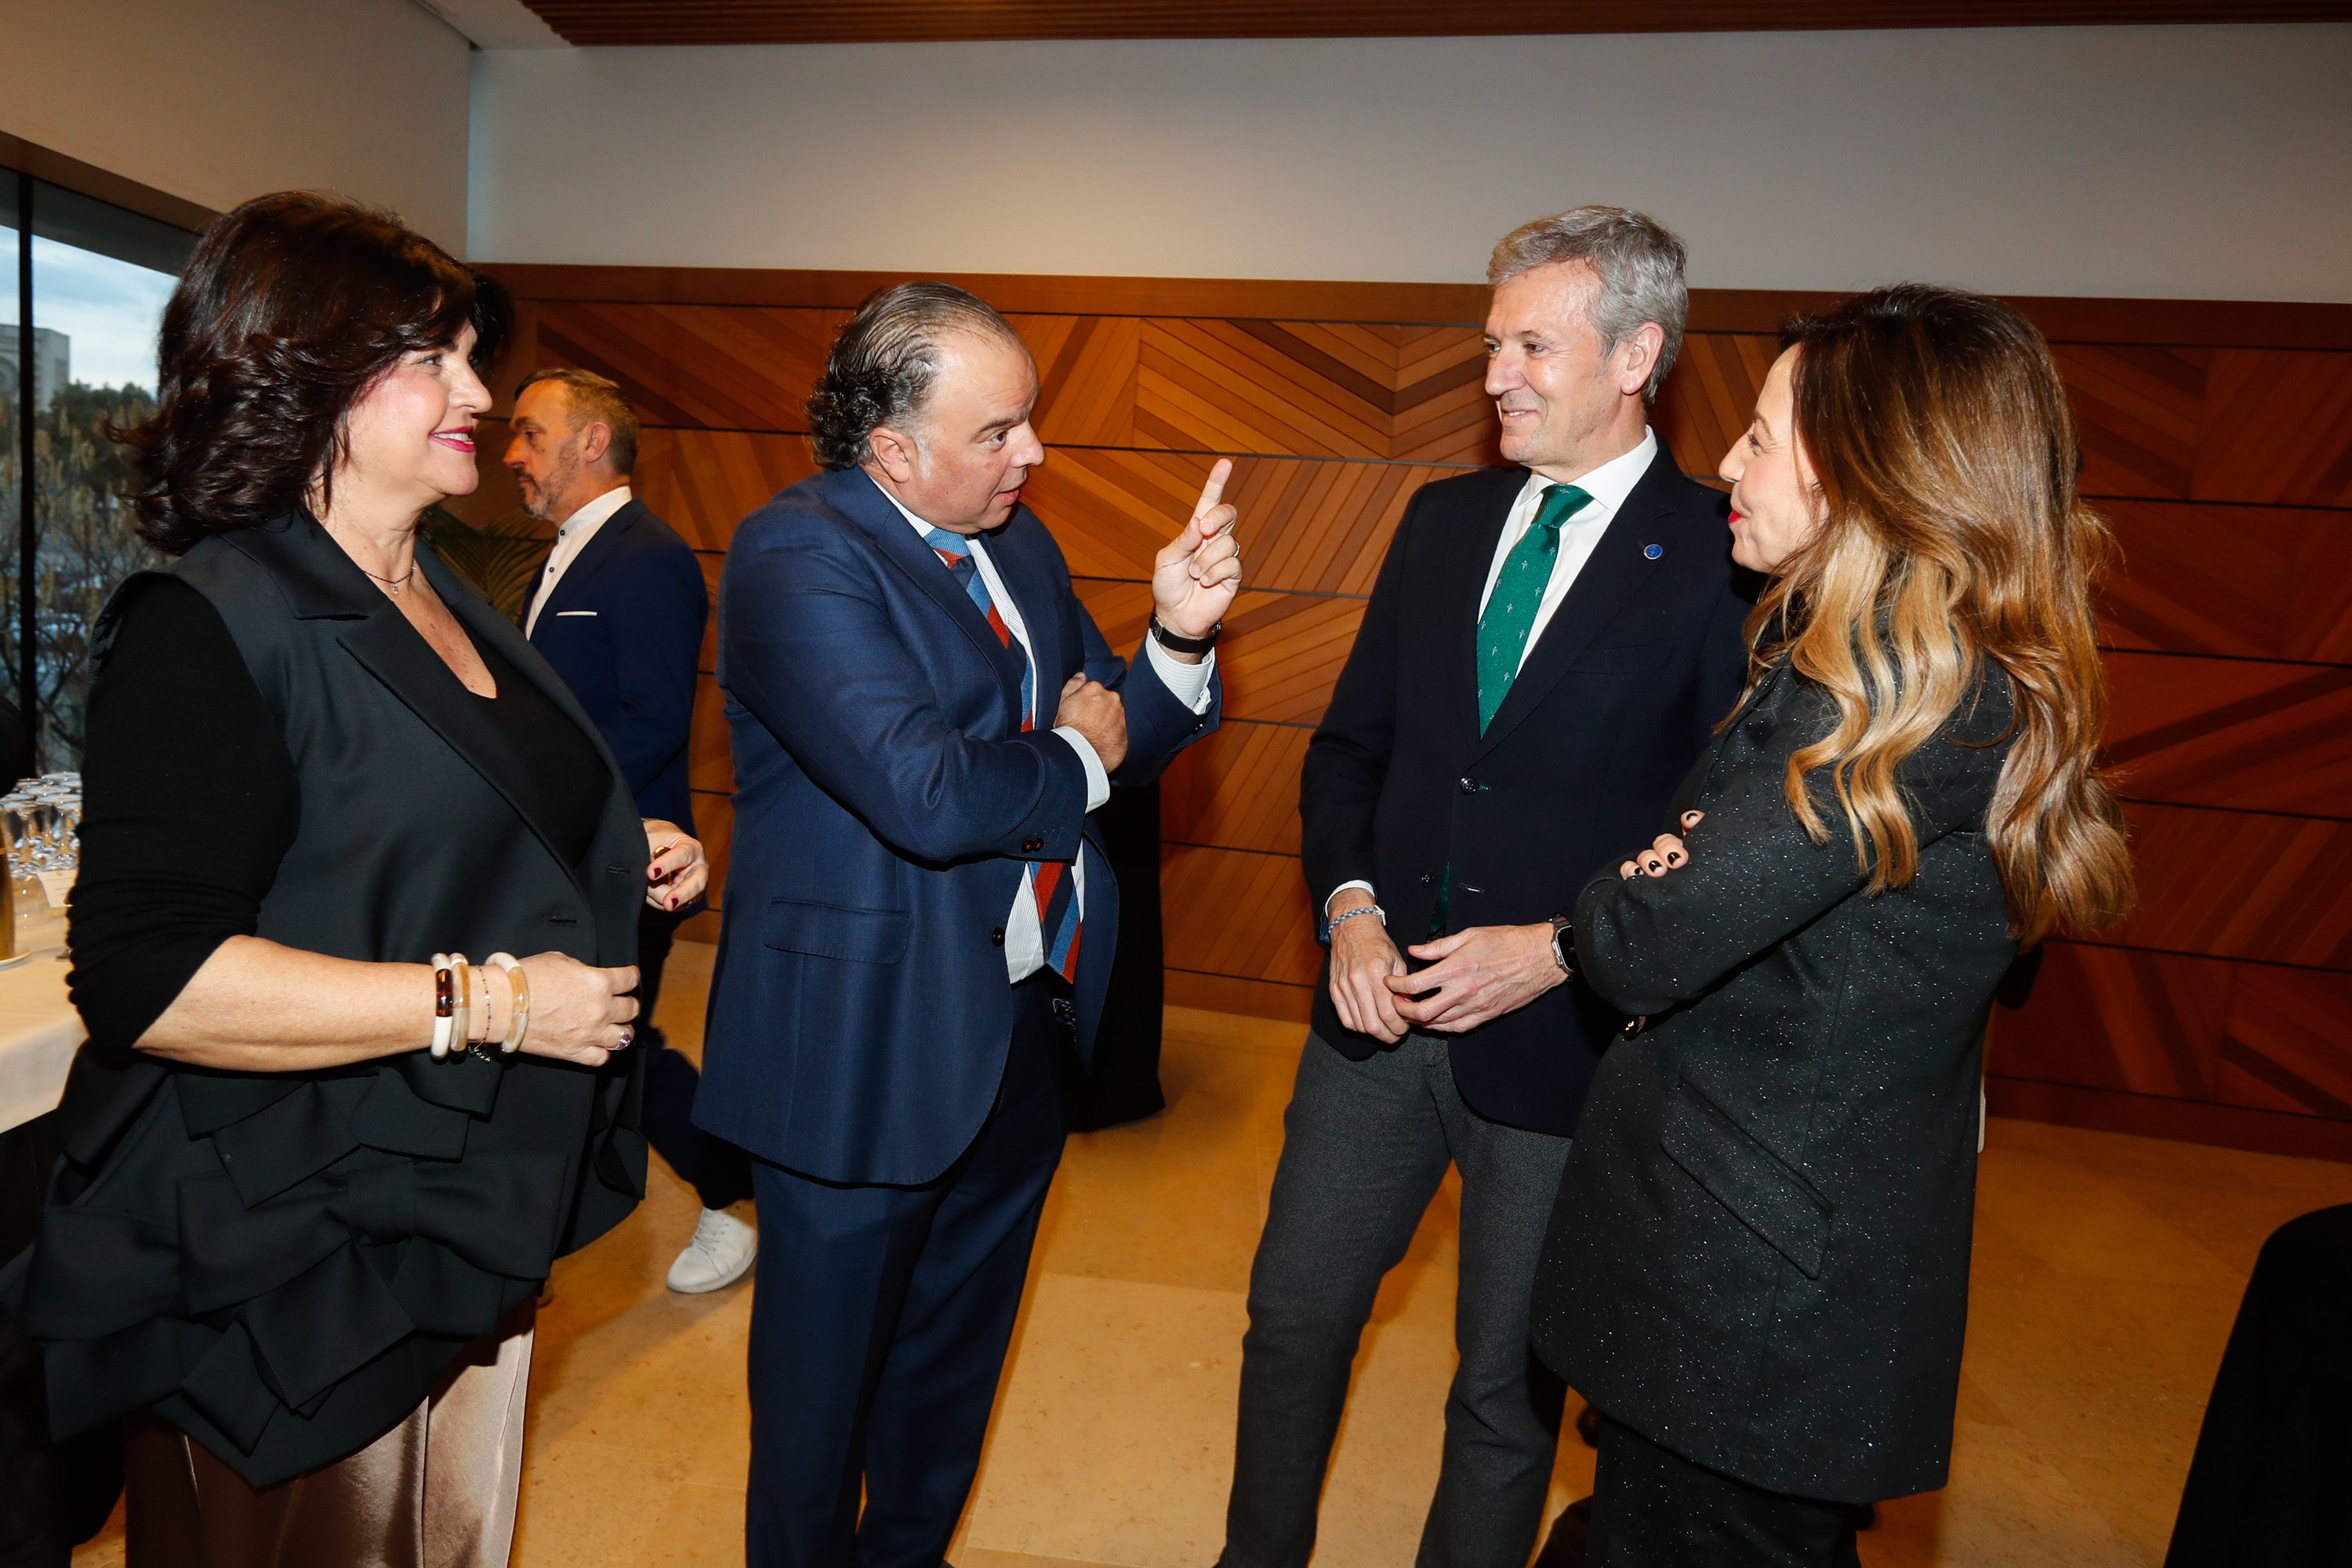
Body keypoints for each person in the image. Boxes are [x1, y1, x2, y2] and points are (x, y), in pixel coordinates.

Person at [6, 192, 707, 1565]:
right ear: (305, 372)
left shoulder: (435, 588)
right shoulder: (212, 620)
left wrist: (621, 853)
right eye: (435, 359)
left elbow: (421, 824)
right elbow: (153, 978)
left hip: (438, 1213)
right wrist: (497, 1004)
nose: (479, 394)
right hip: (291, 1257)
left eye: (471, 357)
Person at [1530, 285, 2136, 1566]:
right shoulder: (1919, 669)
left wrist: (1633, 878)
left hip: (1752, 1295)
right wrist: (1672, 871)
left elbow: (1637, 939)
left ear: (1872, 475)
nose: (1727, 464)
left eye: (1761, 435)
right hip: (1764, 1269)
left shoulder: (1895, 698)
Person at [1221, 208, 1752, 1568]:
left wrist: (1565, 945)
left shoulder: (1722, 555)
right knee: (1292, 1321)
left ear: (1635, 355)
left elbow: (1723, 834)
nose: (1496, 376)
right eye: (1491, 345)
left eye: (1532, 347)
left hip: (1566, 1047)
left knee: (1506, 1394)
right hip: (1374, 1016)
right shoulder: (1442, 520)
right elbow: (1350, 751)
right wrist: (1348, 909)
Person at [695, 281, 1236, 1566]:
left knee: (945, 1390)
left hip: (1016, 1031)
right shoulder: (797, 554)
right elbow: (928, 796)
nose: (1031, 453)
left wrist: (1176, 638)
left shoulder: (1016, 543)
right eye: (997, 431)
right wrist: (1077, 752)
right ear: (892, 449)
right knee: (820, 1418)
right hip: (861, 1048)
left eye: (1029, 420)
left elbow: (1120, 737)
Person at [507, 366, 753, 1295]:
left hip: (623, 857)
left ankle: (733, 1193)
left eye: (531, 433)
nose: (512, 454)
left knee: (615, 1043)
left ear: (592, 440)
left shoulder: (647, 555)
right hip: (563, 857)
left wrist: (532, 796)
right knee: (591, 1043)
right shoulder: (565, 555)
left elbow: (652, 720)